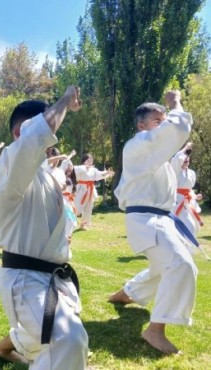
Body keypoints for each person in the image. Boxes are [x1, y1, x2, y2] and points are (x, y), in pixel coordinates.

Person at [0, 87, 88, 369]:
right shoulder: (6, 168)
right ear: (21, 132)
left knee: (43, 336)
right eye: (43, 123)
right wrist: (64, 101)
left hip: (52, 278)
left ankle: (2, 351)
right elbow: (33, 139)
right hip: (25, 278)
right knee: (69, 340)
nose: (49, 140)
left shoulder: (43, 174)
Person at [109, 91, 197, 355]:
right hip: (146, 218)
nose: (164, 123)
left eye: (165, 118)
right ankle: (155, 330)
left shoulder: (151, 152)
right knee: (180, 264)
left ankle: (124, 294)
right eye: (158, 120)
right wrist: (175, 104)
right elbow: (177, 128)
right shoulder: (138, 145)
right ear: (142, 125)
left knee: (161, 268)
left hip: (158, 218)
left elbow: (168, 154)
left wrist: (181, 153)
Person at [170, 142, 203, 237]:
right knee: (188, 227)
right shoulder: (175, 171)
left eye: (187, 157)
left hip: (189, 204)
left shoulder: (191, 173)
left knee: (194, 226)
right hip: (177, 203)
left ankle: (186, 248)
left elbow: (189, 190)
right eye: (184, 157)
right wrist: (185, 148)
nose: (186, 159)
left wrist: (195, 196)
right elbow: (176, 159)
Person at [73, 153, 114, 229]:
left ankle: (83, 225)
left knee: (88, 208)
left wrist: (107, 173)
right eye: (88, 161)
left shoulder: (93, 170)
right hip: (81, 189)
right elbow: (74, 169)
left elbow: (99, 174)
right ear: (84, 161)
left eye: (91, 161)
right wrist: (85, 167)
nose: (90, 163)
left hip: (90, 190)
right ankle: (71, 223)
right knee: (77, 206)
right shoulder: (80, 168)